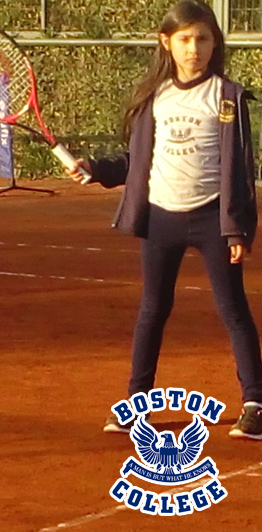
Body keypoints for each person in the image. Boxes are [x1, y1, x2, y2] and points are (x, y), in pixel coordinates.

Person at [64, 0, 262, 439]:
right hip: (160, 220)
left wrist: (238, 227)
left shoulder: (227, 96)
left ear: (215, 43)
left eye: (204, 39)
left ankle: (255, 403)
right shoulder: (154, 96)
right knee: (152, 311)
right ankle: (137, 406)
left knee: (233, 310)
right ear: (166, 42)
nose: (195, 49)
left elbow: (241, 166)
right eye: (186, 39)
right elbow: (136, 160)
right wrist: (96, 168)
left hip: (213, 219)